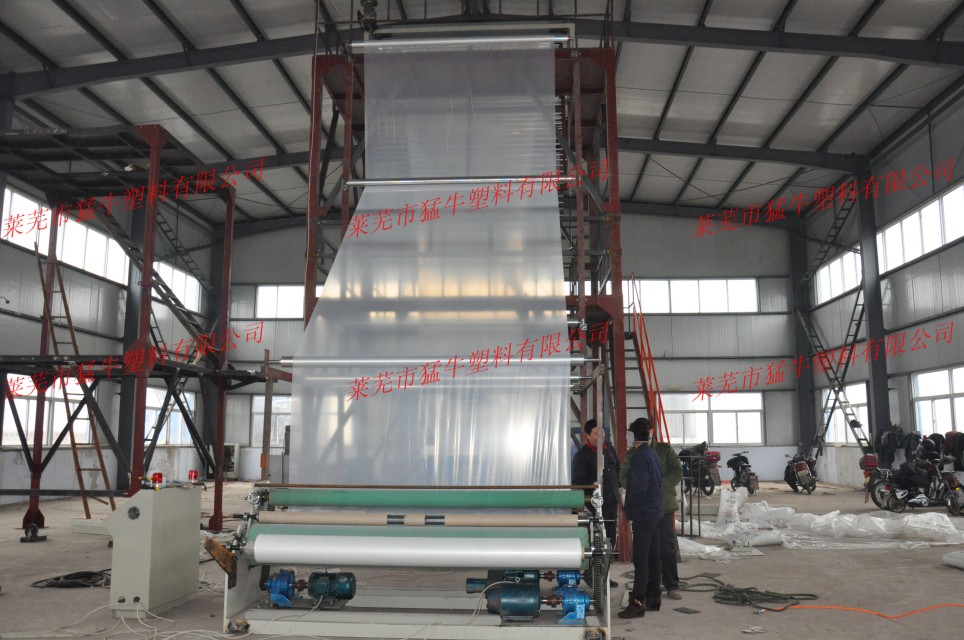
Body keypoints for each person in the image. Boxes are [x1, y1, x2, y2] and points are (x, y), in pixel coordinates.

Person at [619, 417, 684, 600]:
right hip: (647, 509)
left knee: (666, 547)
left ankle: (671, 584)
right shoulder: (633, 454)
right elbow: (623, 476)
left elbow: (677, 471)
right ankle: (650, 588)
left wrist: (657, 487)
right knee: (649, 552)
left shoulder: (664, 450)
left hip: (664, 506)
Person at [618, 417, 663, 619]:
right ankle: (654, 595)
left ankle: (637, 601)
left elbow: (638, 486)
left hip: (644, 514)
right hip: (655, 511)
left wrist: (629, 507)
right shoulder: (652, 454)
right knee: (653, 555)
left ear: (632, 436)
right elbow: (659, 479)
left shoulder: (638, 457)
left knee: (641, 559)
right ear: (649, 434)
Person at [571, 419, 620, 588]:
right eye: (596, 433)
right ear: (587, 436)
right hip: (594, 507)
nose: (601, 436)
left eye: (603, 432)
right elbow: (577, 482)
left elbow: (617, 472)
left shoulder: (610, 450)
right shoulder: (582, 456)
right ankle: (592, 576)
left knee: (609, 541)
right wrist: (592, 486)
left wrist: (619, 491)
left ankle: (605, 575)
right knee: (595, 542)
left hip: (611, 503)